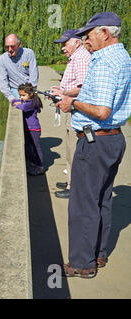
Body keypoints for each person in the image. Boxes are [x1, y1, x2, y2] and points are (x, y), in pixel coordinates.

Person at [56, 12, 130, 278]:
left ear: (105, 33)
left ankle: (81, 264)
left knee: (83, 204)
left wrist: (71, 103)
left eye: (90, 33)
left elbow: (101, 110)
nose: (86, 38)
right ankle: (98, 255)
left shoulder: (105, 61)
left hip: (95, 140)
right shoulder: (123, 57)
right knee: (102, 200)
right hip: (113, 139)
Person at [51, 29, 92, 199]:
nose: (62, 48)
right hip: (72, 107)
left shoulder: (81, 58)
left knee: (74, 148)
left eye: (65, 43)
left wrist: (64, 93)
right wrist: (61, 91)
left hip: (77, 109)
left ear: (76, 42)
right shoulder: (75, 57)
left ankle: (73, 186)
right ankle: (70, 180)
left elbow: (82, 87)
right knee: (69, 147)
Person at [11, 83, 44, 175]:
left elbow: (23, 107)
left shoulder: (32, 103)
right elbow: (13, 102)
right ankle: (34, 164)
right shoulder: (28, 101)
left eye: (23, 95)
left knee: (36, 148)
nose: (21, 97)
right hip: (28, 129)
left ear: (31, 94)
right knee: (27, 148)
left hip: (33, 129)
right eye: (20, 95)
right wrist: (18, 102)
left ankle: (40, 166)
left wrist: (18, 103)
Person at [0, 34, 39, 102]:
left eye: (12, 46)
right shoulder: (1, 60)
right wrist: (11, 98)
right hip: (15, 89)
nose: (10, 49)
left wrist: (31, 91)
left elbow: (34, 74)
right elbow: (3, 82)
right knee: (24, 104)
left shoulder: (29, 53)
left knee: (35, 105)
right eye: (7, 47)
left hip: (29, 87)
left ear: (19, 44)